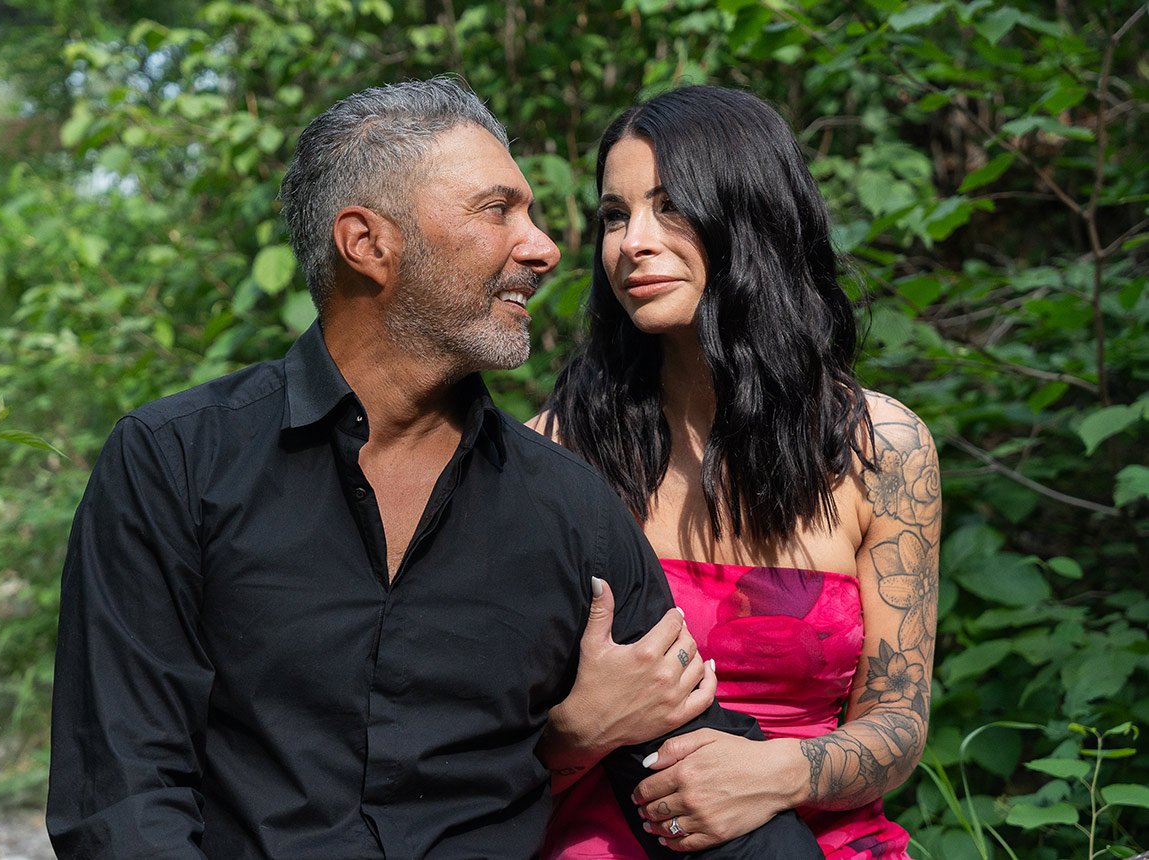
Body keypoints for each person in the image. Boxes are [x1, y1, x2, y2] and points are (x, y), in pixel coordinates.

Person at [45, 78, 822, 858]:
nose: (546, 248)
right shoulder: (175, 462)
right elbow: (123, 802)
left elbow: (699, 782)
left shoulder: (567, 506)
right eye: (498, 211)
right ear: (368, 244)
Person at [533, 86, 940, 858]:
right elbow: (475, 739)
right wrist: (577, 732)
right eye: (614, 216)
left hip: (821, 839)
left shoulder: (882, 449)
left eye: (669, 206)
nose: (632, 243)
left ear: (748, 214)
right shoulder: (553, 453)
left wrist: (774, 774)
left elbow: (897, 723)